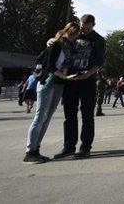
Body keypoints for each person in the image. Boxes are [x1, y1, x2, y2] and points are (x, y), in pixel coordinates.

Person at [24, 22, 80, 164]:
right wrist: (65, 76)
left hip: (59, 84)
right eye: (73, 33)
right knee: (40, 116)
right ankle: (30, 151)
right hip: (48, 83)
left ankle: (36, 149)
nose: (74, 37)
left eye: (76, 34)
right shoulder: (55, 45)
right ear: (66, 32)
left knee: (47, 117)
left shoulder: (69, 47)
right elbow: (49, 66)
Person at [53, 14, 106, 160]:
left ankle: (85, 147)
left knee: (87, 114)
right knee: (69, 114)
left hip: (87, 80)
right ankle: (69, 146)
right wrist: (50, 41)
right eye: (82, 25)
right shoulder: (74, 36)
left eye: (86, 25)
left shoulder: (99, 40)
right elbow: (59, 41)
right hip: (71, 79)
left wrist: (88, 74)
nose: (83, 28)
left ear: (93, 25)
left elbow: (99, 62)